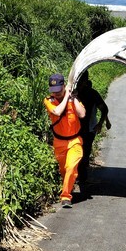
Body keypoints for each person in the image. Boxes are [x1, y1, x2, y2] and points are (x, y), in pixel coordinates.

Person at [43, 73, 86, 208]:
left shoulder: (73, 100)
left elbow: (82, 114)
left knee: (71, 167)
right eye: (53, 91)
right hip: (59, 142)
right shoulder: (49, 101)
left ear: (64, 87)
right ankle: (68, 185)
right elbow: (57, 112)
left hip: (75, 141)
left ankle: (66, 196)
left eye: (59, 91)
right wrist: (66, 97)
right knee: (63, 170)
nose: (56, 94)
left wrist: (72, 98)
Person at [75, 70, 111, 185]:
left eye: (82, 81)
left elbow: (104, 109)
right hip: (73, 130)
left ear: (85, 81)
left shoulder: (93, 94)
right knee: (76, 153)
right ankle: (77, 176)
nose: (80, 83)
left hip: (89, 129)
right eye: (78, 81)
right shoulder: (73, 94)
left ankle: (82, 178)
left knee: (85, 153)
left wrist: (100, 123)